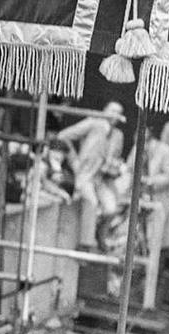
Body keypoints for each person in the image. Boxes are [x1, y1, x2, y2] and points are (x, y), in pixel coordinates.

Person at [58, 101, 125, 250]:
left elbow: (115, 158)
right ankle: (85, 244)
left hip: (102, 179)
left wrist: (114, 167)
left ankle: (100, 235)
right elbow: (63, 136)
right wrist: (75, 161)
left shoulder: (118, 135)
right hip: (85, 175)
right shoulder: (94, 123)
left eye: (118, 113)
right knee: (91, 201)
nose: (115, 115)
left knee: (111, 208)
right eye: (112, 111)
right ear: (104, 110)